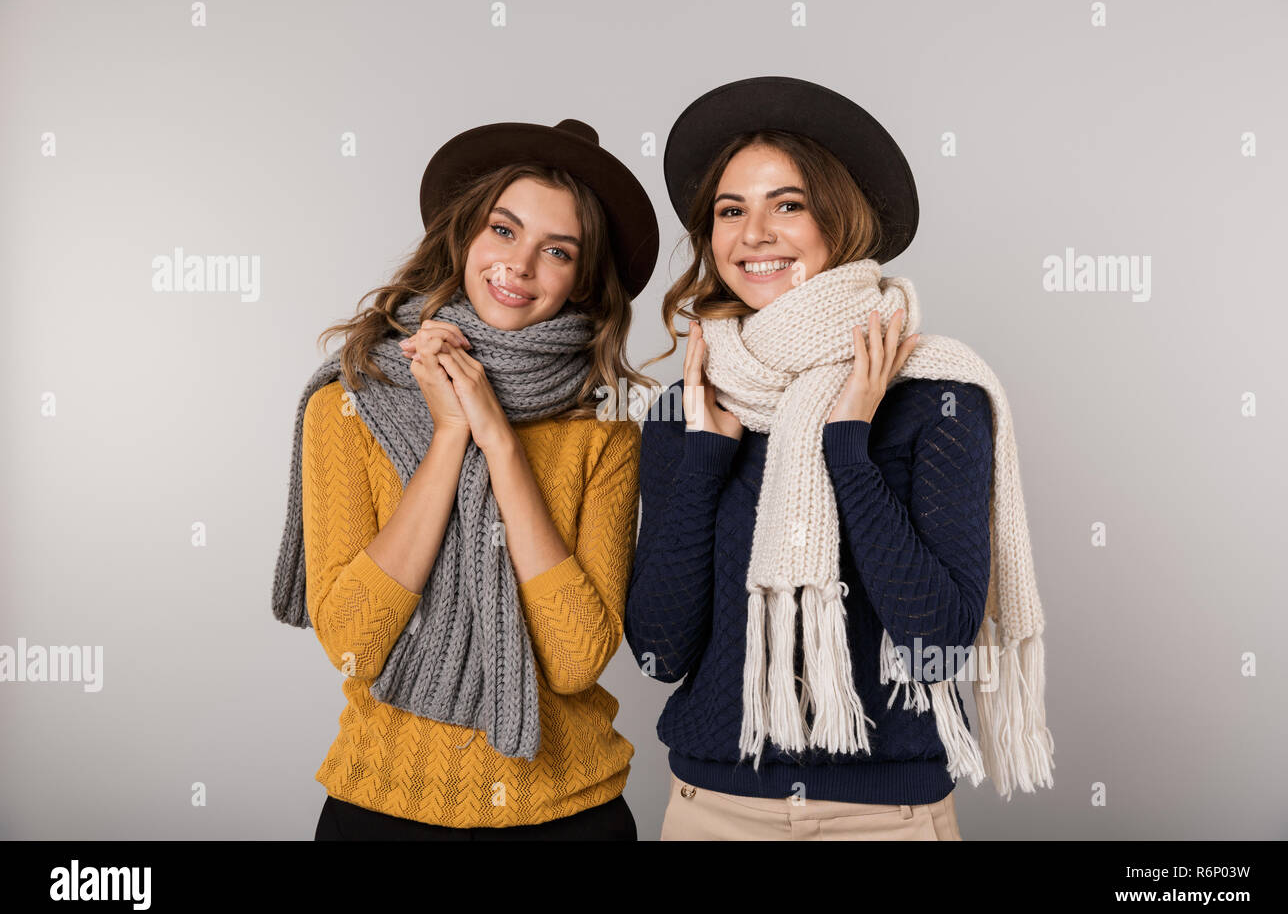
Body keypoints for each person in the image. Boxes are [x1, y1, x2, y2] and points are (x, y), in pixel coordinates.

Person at [625, 76, 1054, 840]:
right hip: (712, 813)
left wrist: (847, 448)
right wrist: (702, 461)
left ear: (840, 219)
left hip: (887, 818)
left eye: (787, 204)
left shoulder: (939, 397)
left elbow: (934, 644)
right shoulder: (689, 405)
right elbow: (659, 650)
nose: (754, 232)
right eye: (732, 210)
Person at [271, 118, 659, 840]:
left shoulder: (603, 433)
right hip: (383, 808)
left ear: (581, 282)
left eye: (558, 251)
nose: (521, 264)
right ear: (463, 238)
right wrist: (450, 435)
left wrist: (501, 445)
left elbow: (576, 661)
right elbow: (353, 641)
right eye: (503, 230)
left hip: (570, 813)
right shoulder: (349, 403)